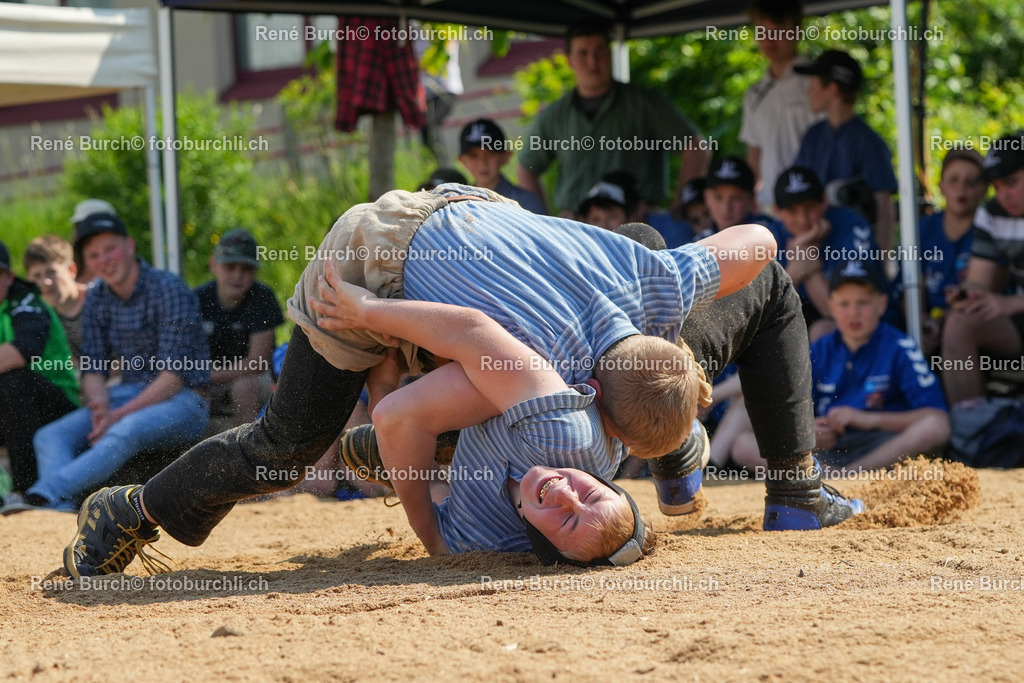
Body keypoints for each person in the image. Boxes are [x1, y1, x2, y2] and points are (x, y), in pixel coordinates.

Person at [63, 184, 857, 579]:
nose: (586, 471)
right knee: (291, 442)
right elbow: (451, 352)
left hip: (476, 217)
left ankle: (419, 448)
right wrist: (431, 535)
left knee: (646, 247)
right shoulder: (554, 389)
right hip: (377, 257)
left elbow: (757, 241)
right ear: (587, 394)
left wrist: (673, 313)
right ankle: (130, 507)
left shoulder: (651, 277)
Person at [315, 275, 653, 563]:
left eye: (567, 522)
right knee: (661, 398)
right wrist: (366, 311)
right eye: (590, 496)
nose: (566, 496)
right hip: (549, 339)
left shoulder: (481, 538)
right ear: (604, 483)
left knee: (377, 442)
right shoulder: (562, 434)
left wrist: (383, 389)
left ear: (544, 548)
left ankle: (427, 444)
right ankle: (682, 452)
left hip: (490, 412)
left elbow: (427, 483)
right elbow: (471, 330)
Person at [24, 203, 210, 512]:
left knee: (125, 429)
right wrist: (99, 406)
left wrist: (116, 416)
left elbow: (173, 378)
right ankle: (57, 514)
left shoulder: (168, 288)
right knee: (49, 436)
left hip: (187, 400)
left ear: (130, 245)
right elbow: (94, 367)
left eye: (110, 249)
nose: (104, 261)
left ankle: (43, 495)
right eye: (94, 256)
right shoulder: (97, 295)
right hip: (127, 394)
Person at [734, 260, 949, 474]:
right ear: (831, 307)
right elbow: (786, 406)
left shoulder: (900, 347)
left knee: (935, 429)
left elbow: (936, 417)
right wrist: (807, 431)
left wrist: (867, 419)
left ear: (882, 305)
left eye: (863, 303)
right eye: (844, 304)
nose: (853, 313)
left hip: (881, 447)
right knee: (744, 445)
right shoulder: (819, 349)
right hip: (829, 449)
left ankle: (848, 477)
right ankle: (828, 478)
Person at [517, 23, 710, 215]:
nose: (592, 61)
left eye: (599, 51)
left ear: (609, 53)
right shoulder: (554, 116)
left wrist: (679, 209)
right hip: (576, 228)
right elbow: (526, 168)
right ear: (569, 60)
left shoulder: (646, 104)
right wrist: (542, 222)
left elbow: (697, 149)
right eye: (583, 53)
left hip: (637, 226)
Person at [941, 132, 1024, 406]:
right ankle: (973, 434)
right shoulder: (992, 212)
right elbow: (978, 279)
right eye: (996, 187)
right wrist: (967, 294)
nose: (1004, 196)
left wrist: (1011, 303)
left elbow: (1008, 304)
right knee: (959, 322)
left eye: (1011, 183)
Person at [0, 240, 80, 510]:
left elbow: (22, 352)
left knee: (14, 381)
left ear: (9, 277)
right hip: (17, 412)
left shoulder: (27, 300)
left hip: (62, 405)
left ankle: (25, 490)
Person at [793, 50, 898, 253]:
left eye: (813, 85)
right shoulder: (812, 136)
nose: (807, 92)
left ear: (832, 89)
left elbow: (884, 206)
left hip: (854, 250)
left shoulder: (870, 143)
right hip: (815, 247)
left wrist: (881, 258)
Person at [890, 149, 987, 354]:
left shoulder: (990, 229)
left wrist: (944, 323)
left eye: (971, 182)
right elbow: (908, 286)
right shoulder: (921, 229)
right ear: (941, 186)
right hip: (919, 325)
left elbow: (987, 292)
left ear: (984, 189)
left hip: (970, 323)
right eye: (953, 180)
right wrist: (920, 322)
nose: (961, 188)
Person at [773, 165, 879, 334]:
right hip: (792, 326)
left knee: (823, 330)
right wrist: (794, 272)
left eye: (810, 207)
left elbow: (844, 315)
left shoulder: (851, 225)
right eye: (792, 211)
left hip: (857, 328)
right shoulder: (767, 236)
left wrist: (806, 256)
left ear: (824, 201)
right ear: (776, 211)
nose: (803, 219)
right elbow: (765, 315)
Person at [195, 229, 284, 427]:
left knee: (244, 387)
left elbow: (258, 362)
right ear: (213, 265)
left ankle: (245, 452)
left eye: (246, 269)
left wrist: (207, 378)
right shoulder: (197, 298)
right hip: (207, 374)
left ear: (255, 271)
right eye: (230, 267)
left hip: (252, 377)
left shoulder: (263, 298)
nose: (237, 275)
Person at [740, 0, 822, 210]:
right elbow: (754, 152)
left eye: (777, 31)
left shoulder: (817, 83)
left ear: (797, 31)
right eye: (761, 32)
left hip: (811, 203)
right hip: (770, 203)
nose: (768, 40)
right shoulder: (754, 93)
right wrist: (752, 197)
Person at [22, 234, 89, 362]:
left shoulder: (99, 299)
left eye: (51, 272)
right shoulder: (38, 315)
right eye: (37, 276)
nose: (45, 282)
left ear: (71, 270)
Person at [457, 118, 545, 214]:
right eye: (474, 155)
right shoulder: (458, 204)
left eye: (491, 153)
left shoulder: (526, 204)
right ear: (462, 161)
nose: (483, 162)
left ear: (506, 156)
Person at [700, 156, 788, 245]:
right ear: (706, 197)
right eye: (718, 197)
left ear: (751, 199)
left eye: (735, 198)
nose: (726, 207)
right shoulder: (699, 242)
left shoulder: (774, 234)